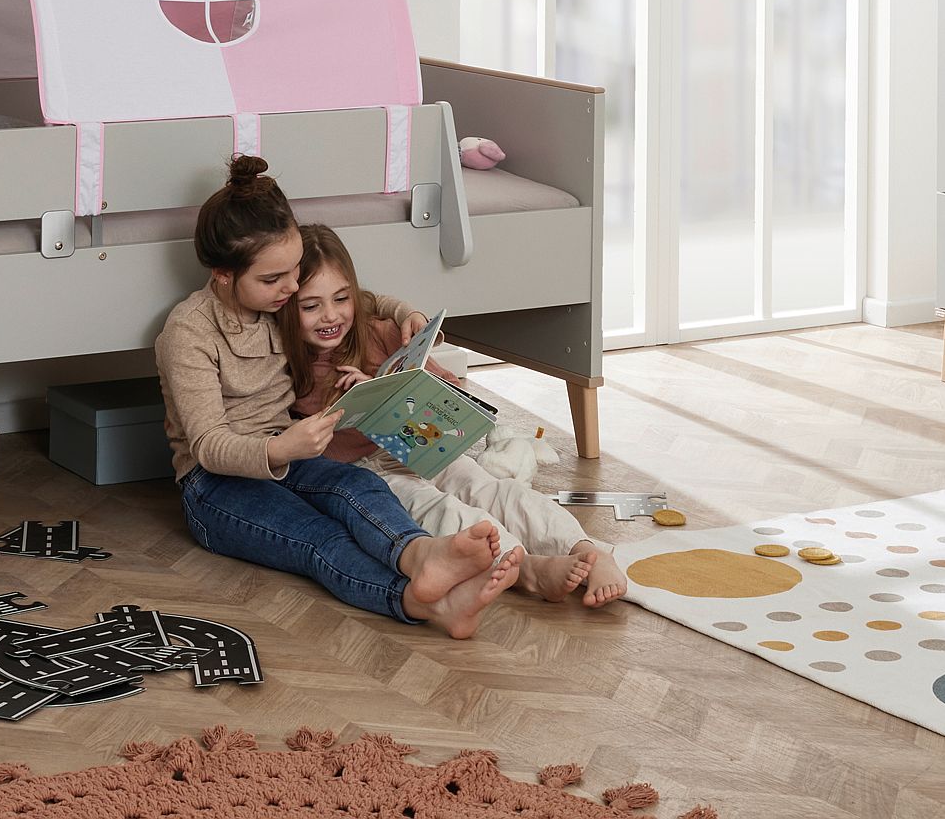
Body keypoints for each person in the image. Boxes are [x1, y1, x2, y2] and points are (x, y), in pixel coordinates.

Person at [154, 155, 521, 636]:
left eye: (293, 272)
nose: (291, 287)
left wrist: (406, 312)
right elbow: (207, 445)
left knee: (359, 486)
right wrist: (280, 448)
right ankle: (420, 603)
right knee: (318, 536)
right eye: (273, 279)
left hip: (289, 454)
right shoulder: (188, 333)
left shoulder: (278, 299)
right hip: (216, 486)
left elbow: (361, 299)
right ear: (223, 275)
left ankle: (421, 555)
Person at [280, 222, 626, 608]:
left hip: (417, 448)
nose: (331, 316)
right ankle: (528, 569)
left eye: (341, 299)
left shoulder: (378, 332)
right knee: (440, 510)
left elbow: (444, 389)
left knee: (493, 490)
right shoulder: (286, 367)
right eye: (311, 306)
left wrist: (390, 385)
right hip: (365, 472)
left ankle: (589, 550)